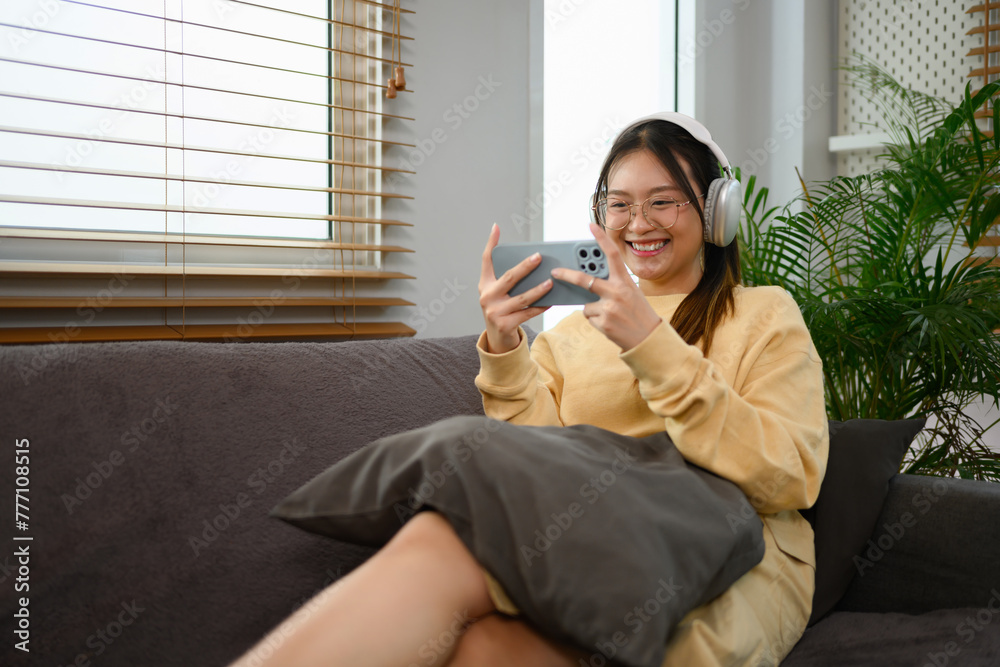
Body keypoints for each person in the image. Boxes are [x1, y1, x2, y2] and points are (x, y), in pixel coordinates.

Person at [228, 113, 829, 667]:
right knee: (470, 611)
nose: (638, 223)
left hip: (727, 546)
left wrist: (650, 343)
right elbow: (541, 469)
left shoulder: (765, 314)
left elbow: (788, 475)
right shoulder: (570, 335)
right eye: (619, 205)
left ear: (717, 209)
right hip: (591, 531)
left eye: (663, 202)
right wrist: (505, 345)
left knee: (489, 626)